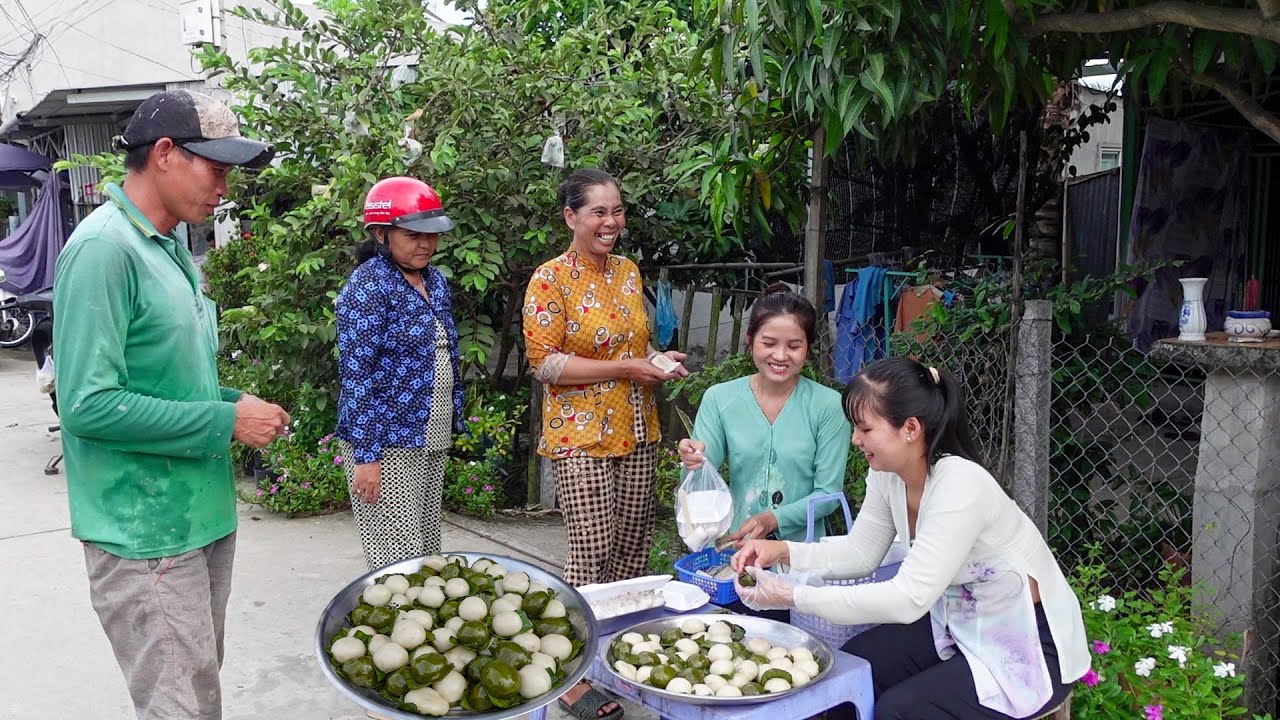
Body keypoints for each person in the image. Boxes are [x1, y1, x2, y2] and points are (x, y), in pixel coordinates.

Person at [53, 89, 289, 720]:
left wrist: (234, 403)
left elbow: (164, 382)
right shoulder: (105, 250)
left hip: (197, 518)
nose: (224, 187)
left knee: (198, 693)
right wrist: (223, 420)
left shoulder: (171, 248)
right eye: (215, 169)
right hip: (143, 532)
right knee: (177, 707)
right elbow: (87, 405)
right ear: (164, 154)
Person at [731, 357, 1089, 720]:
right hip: (957, 621)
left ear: (910, 428)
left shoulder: (961, 485)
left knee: (900, 712)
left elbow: (908, 599)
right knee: (850, 671)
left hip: (1028, 640)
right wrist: (782, 551)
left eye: (865, 429)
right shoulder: (889, 474)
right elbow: (861, 552)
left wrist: (794, 595)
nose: (855, 439)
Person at [523, 167, 687, 719]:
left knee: (631, 552)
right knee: (590, 551)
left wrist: (659, 362)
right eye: (598, 212)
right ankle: (564, 673)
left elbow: (636, 342)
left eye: (617, 211)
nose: (611, 222)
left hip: (638, 428)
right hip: (580, 435)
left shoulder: (628, 270)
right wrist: (628, 366)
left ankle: (614, 662)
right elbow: (546, 364)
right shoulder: (551, 278)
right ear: (571, 217)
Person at [335, 176, 463, 570]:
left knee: (426, 547)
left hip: (429, 436)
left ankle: (417, 627)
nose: (426, 244)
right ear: (380, 234)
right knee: (396, 554)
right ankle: (392, 623)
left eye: (431, 235)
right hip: (386, 443)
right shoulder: (369, 285)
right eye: (413, 235)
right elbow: (357, 375)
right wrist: (367, 457)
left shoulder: (435, 281)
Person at [677, 284, 850, 547]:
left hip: (802, 555)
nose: (780, 356)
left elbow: (827, 494)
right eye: (768, 343)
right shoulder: (720, 399)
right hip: (735, 546)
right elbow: (699, 487)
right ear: (750, 340)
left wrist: (773, 519)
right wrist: (691, 461)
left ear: (808, 347)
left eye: (794, 346)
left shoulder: (828, 405)